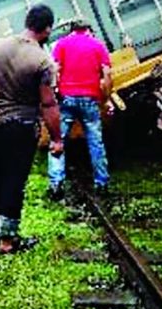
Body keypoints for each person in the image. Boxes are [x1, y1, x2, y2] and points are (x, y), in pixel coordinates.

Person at [0, 5, 63, 253]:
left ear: (27, 22)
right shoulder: (42, 61)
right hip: (23, 125)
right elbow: (48, 103)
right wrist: (57, 138)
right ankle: (8, 240)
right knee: (14, 180)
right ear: (47, 28)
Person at [47, 19, 113, 199]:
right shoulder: (98, 45)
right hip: (90, 100)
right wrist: (106, 99)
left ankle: (55, 183)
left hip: (67, 99)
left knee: (58, 140)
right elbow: (107, 75)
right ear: (88, 30)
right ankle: (102, 183)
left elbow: (54, 70)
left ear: (72, 30)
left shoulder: (61, 44)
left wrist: (55, 93)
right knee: (95, 142)